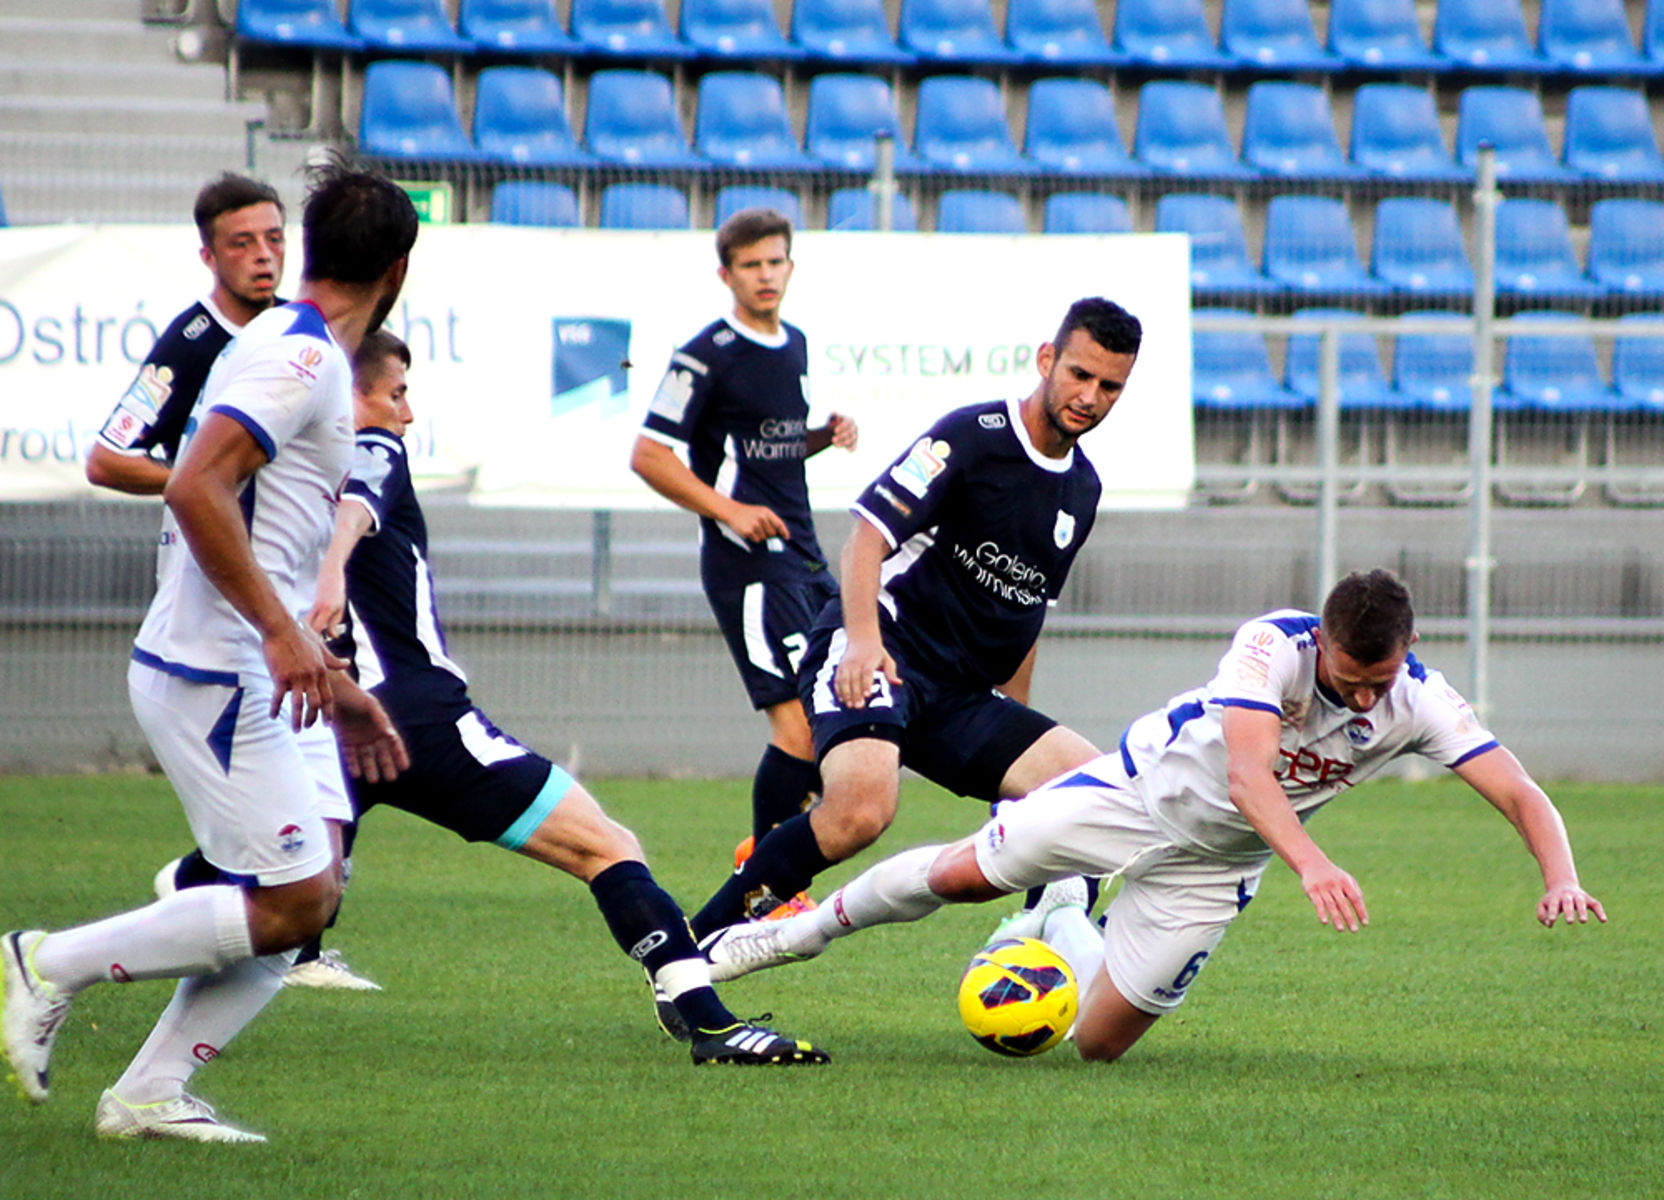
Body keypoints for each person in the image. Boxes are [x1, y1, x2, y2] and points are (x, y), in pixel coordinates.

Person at [700, 569, 1609, 1063]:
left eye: (1382, 679)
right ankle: (791, 937)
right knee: (961, 876)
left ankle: (1057, 920)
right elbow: (1252, 777)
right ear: (1323, 642)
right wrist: (1314, 865)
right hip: (1132, 800)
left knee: (1096, 1047)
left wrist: (1560, 875)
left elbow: (1520, 792)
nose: (1367, 696)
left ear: (1408, 653)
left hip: (1218, 869)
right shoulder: (1271, 646)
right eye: (1351, 677)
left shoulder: (1421, 699)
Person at [3, 160, 419, 1143]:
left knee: (312, 889)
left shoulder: (285, 341)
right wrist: (282, 633)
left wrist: (319, 664)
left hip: (266, 666)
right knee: (285, 904)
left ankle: (148, 1095)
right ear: (399, 271)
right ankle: (41, 962)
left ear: (308, 249)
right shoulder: (303, 359)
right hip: (220, 666)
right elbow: (195, 487)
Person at [298, 329, 827, 1066]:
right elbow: (362, 492)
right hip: (417, 717)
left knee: (267, 897)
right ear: (350, 397)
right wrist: (333, 573)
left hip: (323, 720)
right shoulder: (373, 445)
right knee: (608, 846)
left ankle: (100, 967)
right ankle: (708, 1022)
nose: (407, 414)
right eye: (396, 394)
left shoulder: (284, 471)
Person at [685, 296, 1143, 939]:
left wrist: (1015, 731)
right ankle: (695, 946)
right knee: (861, 812)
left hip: (959, 695)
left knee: (1093, 791)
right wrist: (864, 644)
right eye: (1079, 374)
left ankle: (1041, 940)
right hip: (883, 650)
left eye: (1109, 386)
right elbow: (866, 537)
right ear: (1048, 360)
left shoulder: (1082, 490)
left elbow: (1027, 610)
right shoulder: (971, 436)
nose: (1090, 396)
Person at [86, 171, 377, 991]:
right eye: (241, 243)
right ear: (208, 254)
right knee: (287, 873)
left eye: (274, 239)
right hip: (222, 618)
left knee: (322, 834)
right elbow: (111, 458)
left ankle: (284, 934)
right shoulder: (197, 341)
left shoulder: (293, 337)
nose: (262, 256)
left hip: (274, 609)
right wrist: (214, 475)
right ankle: (163, 915)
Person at [630, 208, 857, 919]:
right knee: (796, 729)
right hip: (750, 567)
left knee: (837, 717)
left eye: (776, 261)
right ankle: (768, 881)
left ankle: (764, 857)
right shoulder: (707, 353)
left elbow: (765, 451)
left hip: (806, 555)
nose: (766, 275)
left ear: (792, 266)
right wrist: (728, 513)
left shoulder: (795, 345)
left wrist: (820, 436)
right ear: (726, 274)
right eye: (752, 265)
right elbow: (648, 455)